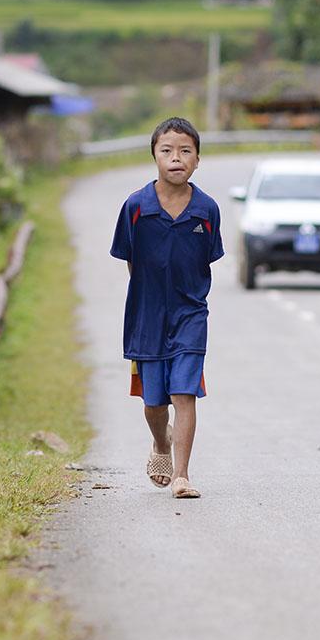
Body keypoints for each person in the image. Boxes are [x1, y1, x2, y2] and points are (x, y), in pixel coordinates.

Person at [109, 117, 223, 499]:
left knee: (184, 393)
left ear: (197, 161)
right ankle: (161, 442)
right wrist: (149, 294)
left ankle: (182, 475)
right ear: (155, 156)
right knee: (155, 402)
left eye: (185, 151)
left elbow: (207, 259)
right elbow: (129, 260)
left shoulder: (207, 210)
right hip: (146, 317)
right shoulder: (136, 208)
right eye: (167, 151)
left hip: (191, 314)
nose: (177, 158)